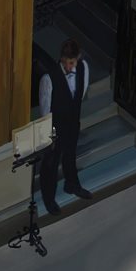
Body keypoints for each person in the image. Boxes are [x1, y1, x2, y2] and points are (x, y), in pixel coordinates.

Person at [38, 38, 93, 216]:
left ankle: (72, 185)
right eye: (67, 63)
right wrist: (49, 133)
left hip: (72, 121)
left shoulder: (83, 68)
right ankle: (49, 199)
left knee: (70, 154)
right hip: (55, 125)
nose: (70, 67)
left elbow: (80, 93)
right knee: (51, 163)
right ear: (61, 59)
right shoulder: (49, 77)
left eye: (73, 62)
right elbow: (45, 109)